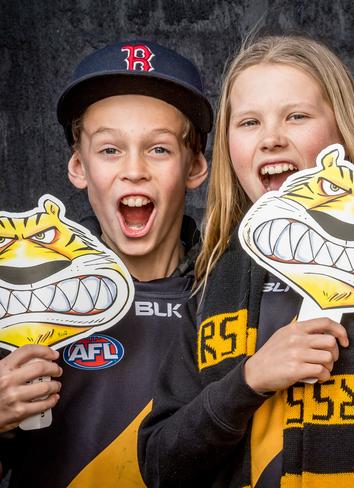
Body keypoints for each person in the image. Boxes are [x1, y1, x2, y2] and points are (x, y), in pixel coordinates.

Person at [139, 35, 354, 487]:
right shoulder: (211, 281)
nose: (271, 139)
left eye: (296, 116)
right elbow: (161, 465)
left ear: (342, 131)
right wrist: (249, 380)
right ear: (228, 146)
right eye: (248, 122)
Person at [0, 39, 211, 487]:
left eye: (159, 149)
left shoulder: (227, 293)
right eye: (110, 149)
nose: (134, 170)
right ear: (79, 166)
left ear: (194, 166)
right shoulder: (20, 297)